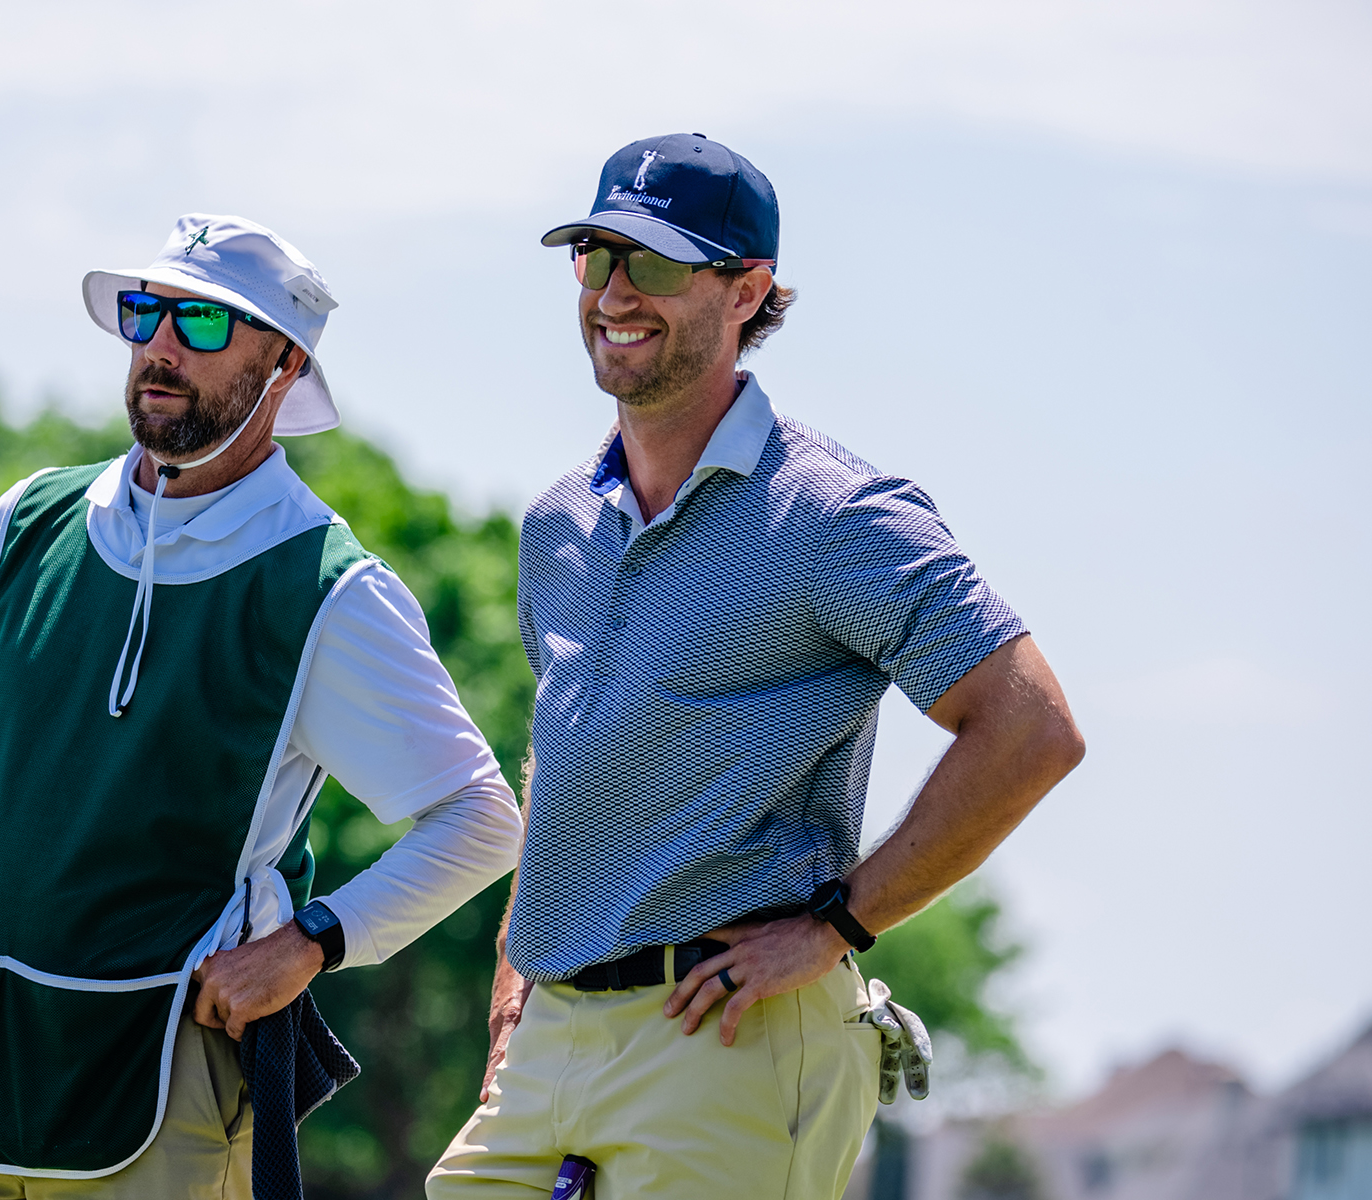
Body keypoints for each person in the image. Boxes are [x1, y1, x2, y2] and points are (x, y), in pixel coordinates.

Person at [0, 215, 523, 1198]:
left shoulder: (327, 589)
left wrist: (311, 943)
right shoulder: (29, 520)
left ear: (285, 364)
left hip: (163, 1091)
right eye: (145, 312)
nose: (160, 346)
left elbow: (481, 818)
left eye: (203, 323)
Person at [427, 135, 1086, 1199]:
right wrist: (515, 971)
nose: (615, 292)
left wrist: (840, 925)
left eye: (655, 262)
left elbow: (1031, 728)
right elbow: (569, 760)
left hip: (731, 1036)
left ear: (747, 290)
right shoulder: (556, 524)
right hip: (550, 1042)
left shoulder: (837, 514)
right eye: (596, 256)